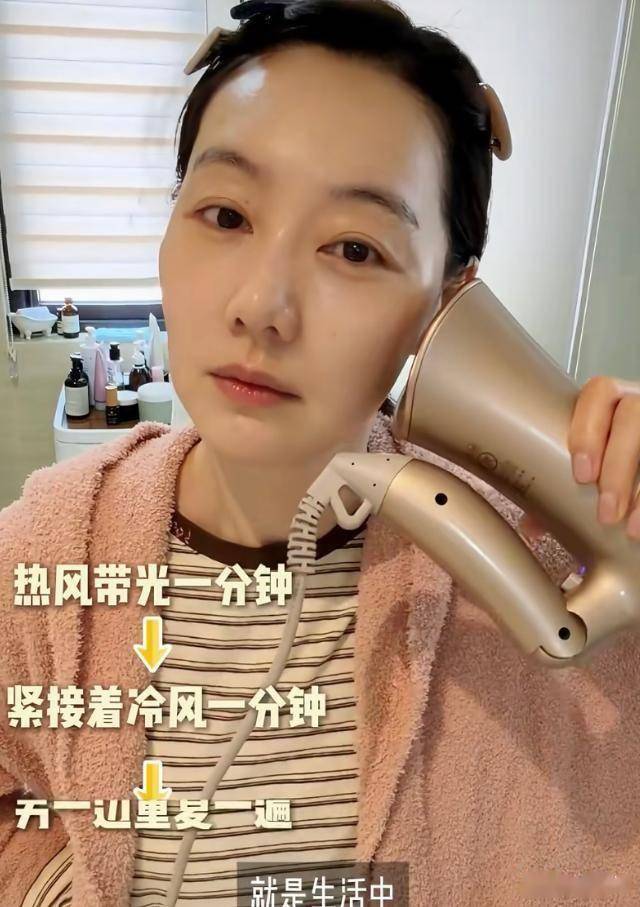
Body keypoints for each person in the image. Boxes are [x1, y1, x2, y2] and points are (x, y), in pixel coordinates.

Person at [1, 1, 640, 905]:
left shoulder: (524, 570)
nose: (262, 306)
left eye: (353, 247)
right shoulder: (44, 553)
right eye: (226, 214)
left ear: (448, 306)